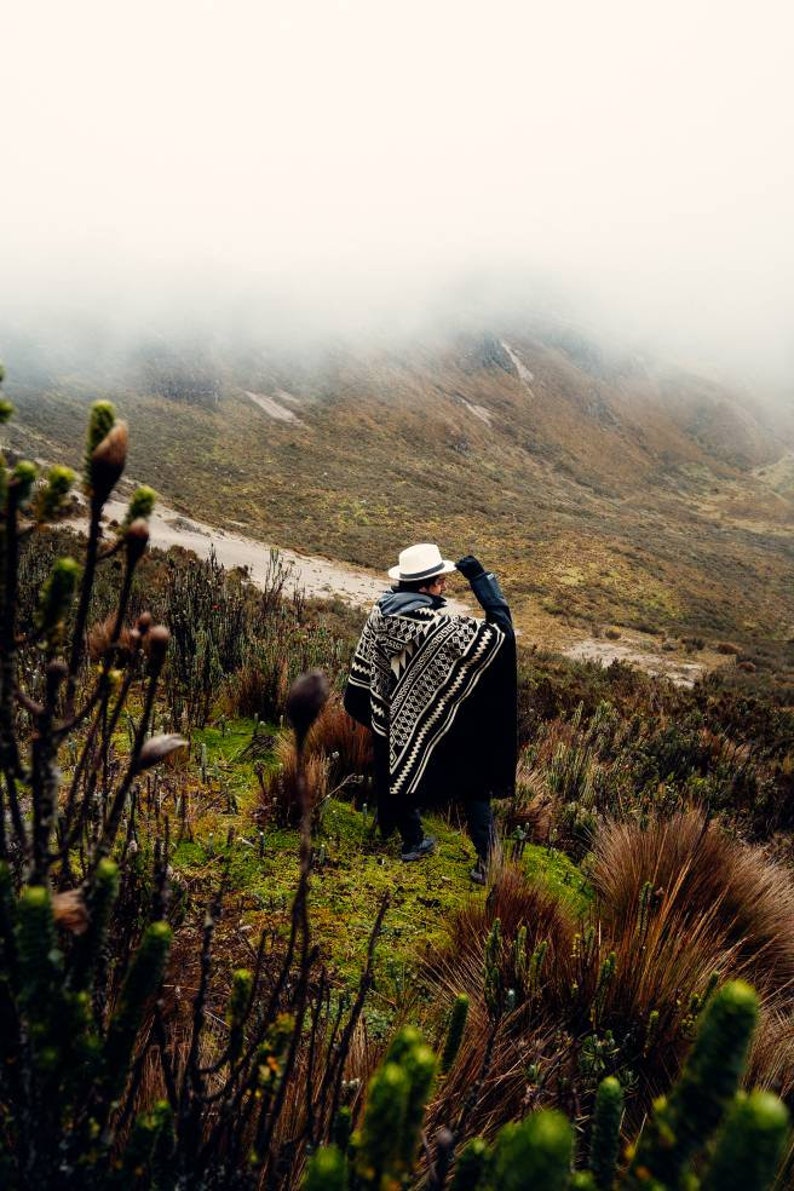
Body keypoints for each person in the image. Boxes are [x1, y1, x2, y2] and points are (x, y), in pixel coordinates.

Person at [344, 542, 517, 883]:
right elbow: (501, 635)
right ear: (425, 586)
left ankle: (412, 841)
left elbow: (367, 671)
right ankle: (488, 860)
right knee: (473, 774)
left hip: (393, 718)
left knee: (399, 758)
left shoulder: (380, 613)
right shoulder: (439, 628)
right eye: (440, 581)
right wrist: (481, 580)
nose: (444, 586)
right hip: (435, 720)